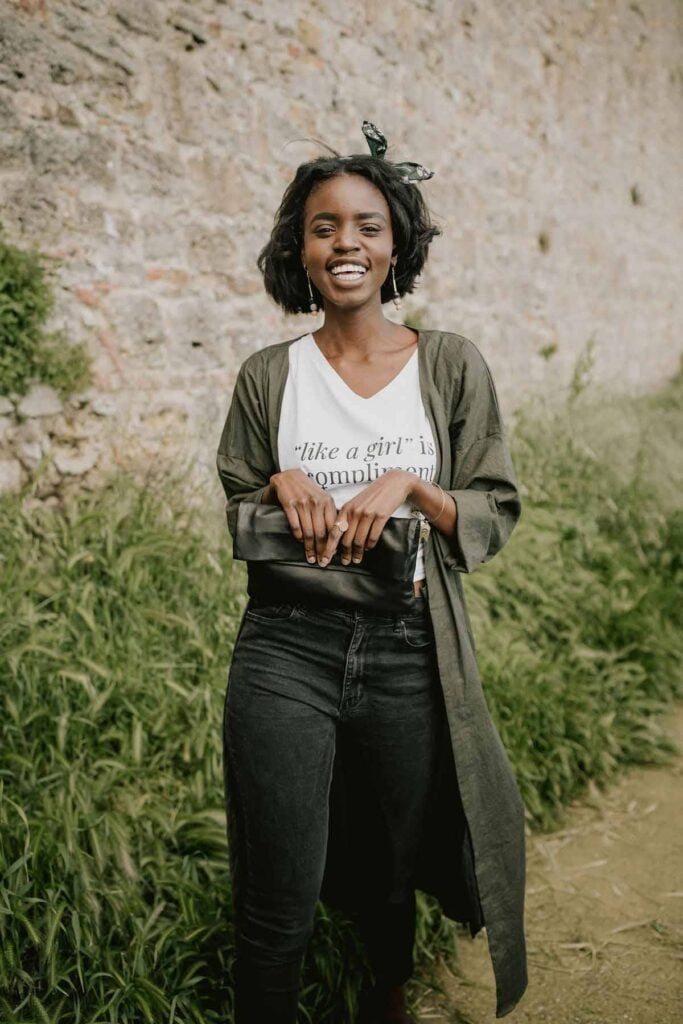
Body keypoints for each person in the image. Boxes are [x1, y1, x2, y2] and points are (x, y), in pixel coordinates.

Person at [217, 123, 528, 1024]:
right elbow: (237, 502)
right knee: (275, 892)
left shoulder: (449, 363)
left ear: (396, 245)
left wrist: (412, 487)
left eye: (365, 225)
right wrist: (279, 479)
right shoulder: (267, 376)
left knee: (389, 873)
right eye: (322, 227)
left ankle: (382, 1001)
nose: (344, 243)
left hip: (407, 645)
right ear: (299, 249)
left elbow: (493, 505)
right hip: (284, 645)